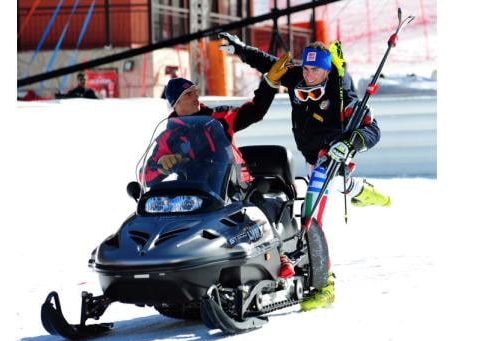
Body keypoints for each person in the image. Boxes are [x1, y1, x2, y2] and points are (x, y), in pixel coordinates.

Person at [219, 32, 392, 311]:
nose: (308, 74)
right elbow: (267, 62)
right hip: (312, 157)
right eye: (306, 67)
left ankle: (324, 286)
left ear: (327, 70)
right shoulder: (297, 77)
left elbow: (373, 129)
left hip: (330, 157)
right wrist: (241, 49)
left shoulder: (341, 94)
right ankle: (360, 190)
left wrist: (349, 144)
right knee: (337, 185)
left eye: (315, 70)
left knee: (310, 218)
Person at [144, 52, 291, 187]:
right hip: (195, 193)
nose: (196, 96)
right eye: (188, 94)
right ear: (176, 103)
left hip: (235, 187)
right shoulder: (168, 137)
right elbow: (146, 177)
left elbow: (255, 111)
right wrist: (161, 166)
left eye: (195, 92)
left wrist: (269, 83)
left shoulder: (219, 118)